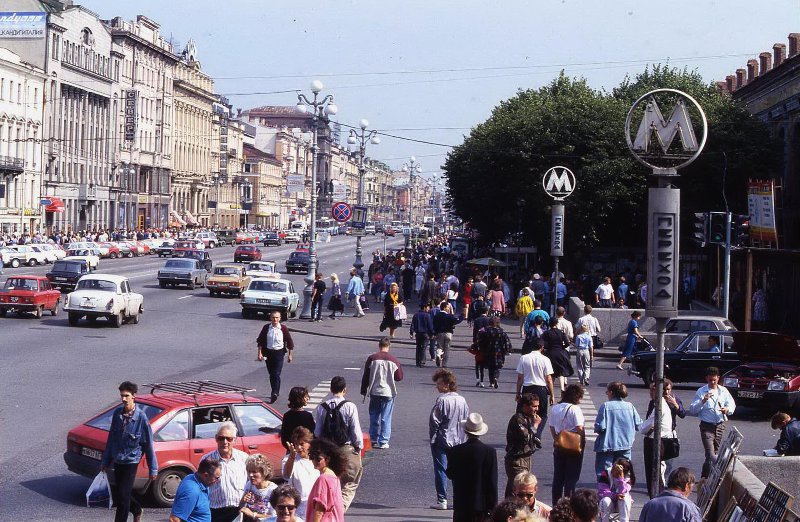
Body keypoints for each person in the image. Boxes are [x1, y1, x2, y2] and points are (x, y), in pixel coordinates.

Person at [100, 381, 158, 522]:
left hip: (131, 461)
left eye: (126, 396)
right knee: (120, 494)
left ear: (134, 396)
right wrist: (105, 461)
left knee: (123, 498)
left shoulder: (141, 418)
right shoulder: (117, 414)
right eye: (122, 396)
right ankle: (137, 509)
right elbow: (111, 439)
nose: (123, 399)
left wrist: (153, 469)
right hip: (118, 459)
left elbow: (148, 444)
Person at [312, 376, 363, 511]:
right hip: (345, 448)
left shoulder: (322, 407)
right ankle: (339, 510)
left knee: (331, 481)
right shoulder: (350, 406)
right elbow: (355, 430)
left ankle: (329, 506)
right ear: (344, 390)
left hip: (328, 450)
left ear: (330, 389)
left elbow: (317, 432)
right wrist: (358, 447)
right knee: (351, 481)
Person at [429, 368, 470, 510]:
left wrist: (432, 438)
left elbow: (434, 422)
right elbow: (466, 420)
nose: (437, 386)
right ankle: (458, 499)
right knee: (458, 471)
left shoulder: (442, 400)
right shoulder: (462, 400)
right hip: (459, 439)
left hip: (442, 439)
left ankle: (442, 500)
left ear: (446, 384)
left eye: (439, 383)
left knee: (441, 469)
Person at [446, 412, 498, 521]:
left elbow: (450, 473)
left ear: (465, 431)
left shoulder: (455, 451)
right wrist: (493, 507)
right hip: (481, 506)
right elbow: (492, 482)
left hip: (461, 504)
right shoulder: (489, 452)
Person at [689, 366, 736, 478]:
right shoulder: (701, 391)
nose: (712, 382)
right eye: (710, 380)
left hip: (719, 425)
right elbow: (692, 409)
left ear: (718, 378)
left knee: (712, 454)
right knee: (711, 454)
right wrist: (703, 401)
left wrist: (727, 410)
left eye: (714, 380)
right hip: (706, 426)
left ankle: (704, 477)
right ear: (706, 379)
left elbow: (732, 405)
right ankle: (716, 476)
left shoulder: (723, 391)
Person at [360, 337, 404, 449]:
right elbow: (399, 377)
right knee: (386, 416)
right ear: (389, 346)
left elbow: (366, 375)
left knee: (374, 415)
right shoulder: (394, 359)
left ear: (379, 345)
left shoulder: (372, 358)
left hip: (375, 390)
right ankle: (384, 440)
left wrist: (364, 390)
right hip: (388, 391)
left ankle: (373, 438)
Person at [201, 422, 250, 522]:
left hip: (239, 510)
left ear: (235, 440)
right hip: (215, 511)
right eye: (221, 438)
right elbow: (200, 487)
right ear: (216, 438)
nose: (225, 442)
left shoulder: (244, 458)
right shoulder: (207, 459)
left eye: (229, 439)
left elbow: (251, 483)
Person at [594, 381, 642, 478]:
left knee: (605, 474)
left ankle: (606, 492)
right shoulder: (630, 406)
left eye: (607, 392)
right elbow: (639, 424)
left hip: (607, 445)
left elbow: (600, 427)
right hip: (625, 445)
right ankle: (621, 492)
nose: (606, 394)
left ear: (611, 392)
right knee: (623, 474)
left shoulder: (606, 406)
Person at [549, 384, 586, 503]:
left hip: (560, 445)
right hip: (573, 447)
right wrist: (581, 440)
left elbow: (551, 426)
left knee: (558, 477)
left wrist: (556, 438)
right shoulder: (575, 409)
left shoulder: (555, 408)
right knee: (571, 477)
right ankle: (569, 503)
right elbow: (579, 427)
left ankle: (556, 503)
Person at [641, 381, 675, 498]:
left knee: (654, 474)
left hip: (657, 442)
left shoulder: (660, 406)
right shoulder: (658, 404)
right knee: (656, 473)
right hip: (659, 440)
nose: (650, 392)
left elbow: (645, 427)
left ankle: (656, 499)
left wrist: (642, 428)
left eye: (653, 390)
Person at [515, 337, 554, 439]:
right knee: (543, 414)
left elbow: (520, 378)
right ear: (542, 347)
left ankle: (524, 433)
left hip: (527, 388)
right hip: (540, 389)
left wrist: (518, 393)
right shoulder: (545, 359)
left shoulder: (524, 358)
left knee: (522, 413)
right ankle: (537, 434)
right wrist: (552, 395)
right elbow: (549, 379)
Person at [504, 394, 541, 498]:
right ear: (525, 406)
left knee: (514, 488)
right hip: (517, 459)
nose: (536, 409)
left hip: (526, 457)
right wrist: (536, 426)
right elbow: (526, 437)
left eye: (537, 406)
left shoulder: (527, 418)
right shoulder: (518, 419)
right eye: (534, 406)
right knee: (519, 488)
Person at [257, 311, 295, 404]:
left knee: (276, 373)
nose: (275, 319)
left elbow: (289, 342)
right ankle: (274, 390)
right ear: (270, 318)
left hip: (279, 353)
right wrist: (260, 353)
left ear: (280, 318)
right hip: (268, 353)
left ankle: (275, 392)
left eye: (277, 317)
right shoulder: (266, 328)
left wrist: (290, 355)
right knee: (271, 374)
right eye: (273, 317)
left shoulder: (283, 328)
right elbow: (260, 341)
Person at [282, 426, 320, 515]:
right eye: (296, 444)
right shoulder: (289, 459)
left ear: (309, 444)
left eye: (302, 444)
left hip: (315, 505)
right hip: (298, 508)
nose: (298, 447)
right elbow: (286, 475)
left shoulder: (317, 459)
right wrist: (291, 457)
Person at [170, 458, 222, 522]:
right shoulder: (191, 491)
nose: (218, 481)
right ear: (205, 475)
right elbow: (174, 519)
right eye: (216, 478)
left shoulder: (200, 480)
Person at [306, 438, 345, 522]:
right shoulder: (335, 477)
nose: (314, 461)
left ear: (327, 459)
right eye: (312, 457)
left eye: (318, 459)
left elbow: (319, 509)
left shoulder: (323, 479)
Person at [238, 454, 278, 521]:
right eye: (249, 471)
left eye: (254, 472)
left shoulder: (273, 490)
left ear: (264, 472)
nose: (250, 475)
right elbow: (242, 506)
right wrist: (243, 501)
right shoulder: (249, 484)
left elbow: (275, 517)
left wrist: (253, 514)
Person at [477, 316, 512, 389]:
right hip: (499, 352)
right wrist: (508, 350)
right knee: (497, 367)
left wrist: (480, 348)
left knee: (491, 367)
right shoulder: (501, 331)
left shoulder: (486, 331)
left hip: (489, 351)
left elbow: (481, 341)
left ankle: (491, 382)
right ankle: (496, 378)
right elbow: (507, 341)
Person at [542, 317, 573, 393]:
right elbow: (567, 343)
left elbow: (544, 344)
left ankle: (549, 388)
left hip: (550, 353)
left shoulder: (546, 333)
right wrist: (562, 347)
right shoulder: (561, 332)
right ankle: (562, 388)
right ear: (556, 323)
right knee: (561, 372)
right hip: (561, 353)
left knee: (551, 372)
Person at [598, 458, 634, 522]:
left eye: (615, 470)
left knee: (625, 498)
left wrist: (621, 478)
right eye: (613, 468)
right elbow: (602, 492)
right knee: (605, 500)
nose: (613, 470)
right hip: (609, 504)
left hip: (621, 504)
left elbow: (623, 491)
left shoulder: (627, 477)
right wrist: (615, 495)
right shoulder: (606, 473)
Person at [280, 387, 315, 452]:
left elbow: (284, 436)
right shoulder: (307, 416)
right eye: (305, 397)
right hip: (305, 450)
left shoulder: (287, 415)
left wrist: (290, 447)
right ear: (299, 399)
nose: (308, 398)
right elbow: (312, 435)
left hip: (291, 450)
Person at [433, 300, 462, 368]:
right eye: (448, 307)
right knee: (447, 349)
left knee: (439, 346)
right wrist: (462, 317)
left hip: (439, 333)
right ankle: (444, 364)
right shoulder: (449, 316)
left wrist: (434, 333)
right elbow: (456, 321)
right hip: (448, 333)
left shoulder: (437, 316)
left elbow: (434, 325)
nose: (449, 308)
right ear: (445, 308)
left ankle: (438, 354)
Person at [410, 302, 436, 367]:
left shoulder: (416, 315)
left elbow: (412, 324)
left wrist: (411, 332)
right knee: (423, 348)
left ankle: (417, 362)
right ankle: (422, 362)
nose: (428, 309)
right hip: (425, 334)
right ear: (424, 308)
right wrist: (433, 333)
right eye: (428, 307)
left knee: (418, 347)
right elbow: (430, 326)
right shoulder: (427, 315)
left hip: (418, 334)